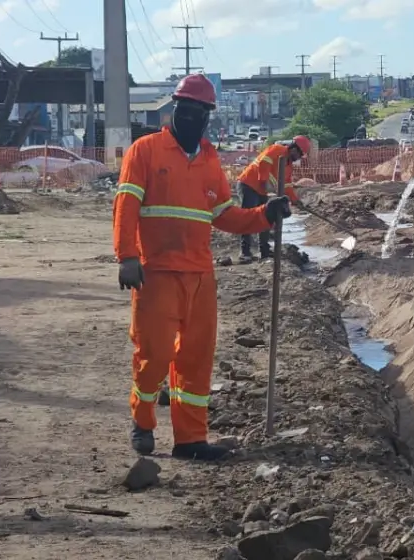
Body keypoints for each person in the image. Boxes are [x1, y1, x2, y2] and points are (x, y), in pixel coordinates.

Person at [114, 73, 291, 461]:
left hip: (200, 276)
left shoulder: (211, 162)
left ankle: (190, 440)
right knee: (154, 355)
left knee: (195, 359)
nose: (193, 115)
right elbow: (126, 204)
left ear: (209, 114)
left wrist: (265, 214)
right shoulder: (145, 151)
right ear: (174, 108)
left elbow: (225, 215)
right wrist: (126, 256)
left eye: (201, 110)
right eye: (187, 108)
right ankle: (142, 420)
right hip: (156, 272)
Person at [235, 136, 311, 262]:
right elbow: (264, 162)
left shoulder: (288, 166)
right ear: (294, 149)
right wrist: (264, 181)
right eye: (300, 154)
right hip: (248, 184)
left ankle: (264, 251)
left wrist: (294, 200)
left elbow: (286, 185)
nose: (299, 157)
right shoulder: (277, 149)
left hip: (261, 190)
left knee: (265, 219)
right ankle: (245, 252)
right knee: (248, 219)